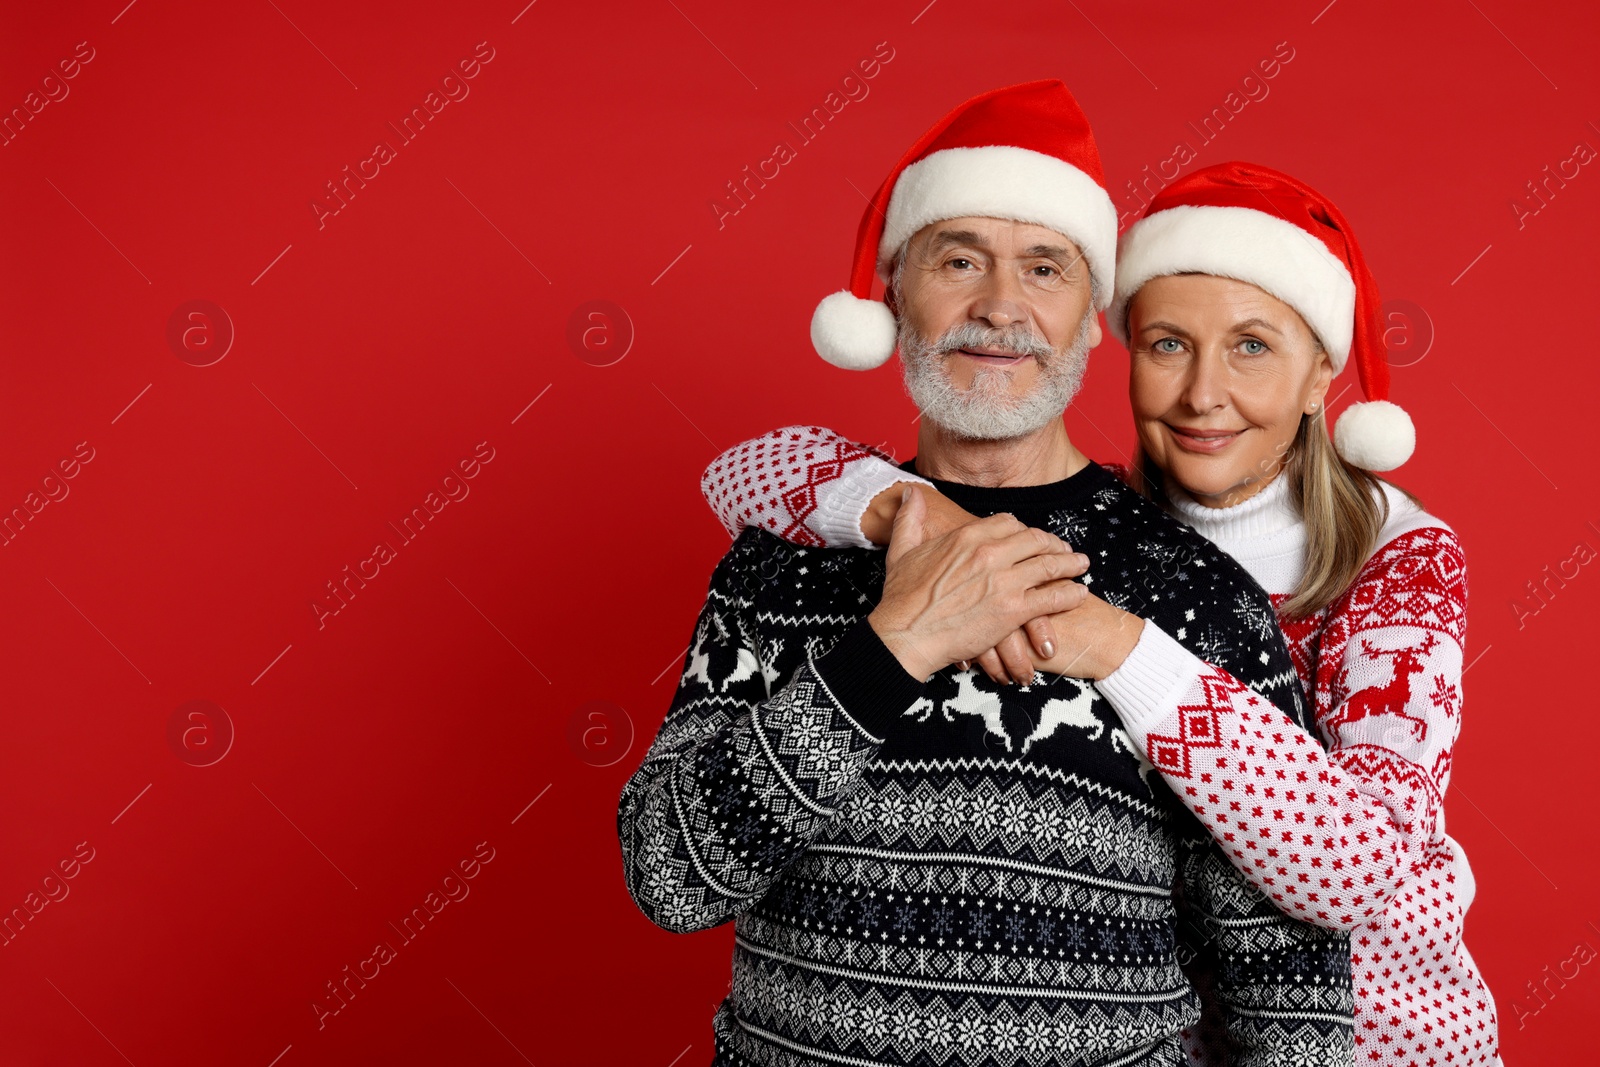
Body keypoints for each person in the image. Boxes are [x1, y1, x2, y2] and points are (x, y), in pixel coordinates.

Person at [700, 161, 1500, 1066]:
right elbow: (742, 470)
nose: (1203, 393)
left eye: (1251, 346)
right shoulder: (1112, 532)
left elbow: (1363, 862)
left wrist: (1118, 644)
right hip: (1180, 1020)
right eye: (1167, 344)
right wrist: (911, 516)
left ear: (1323, 373)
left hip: (1383, 1020)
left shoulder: (1396, 557)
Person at [618, 83, 1352, 1067]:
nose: (998, 307)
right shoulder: (780, 565)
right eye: (957, 259)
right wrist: (898, 644)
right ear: (894, 297)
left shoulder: (1193, 593)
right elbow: (671, 875)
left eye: (1043, 269)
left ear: (1094, 323)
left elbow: (1289, 980)